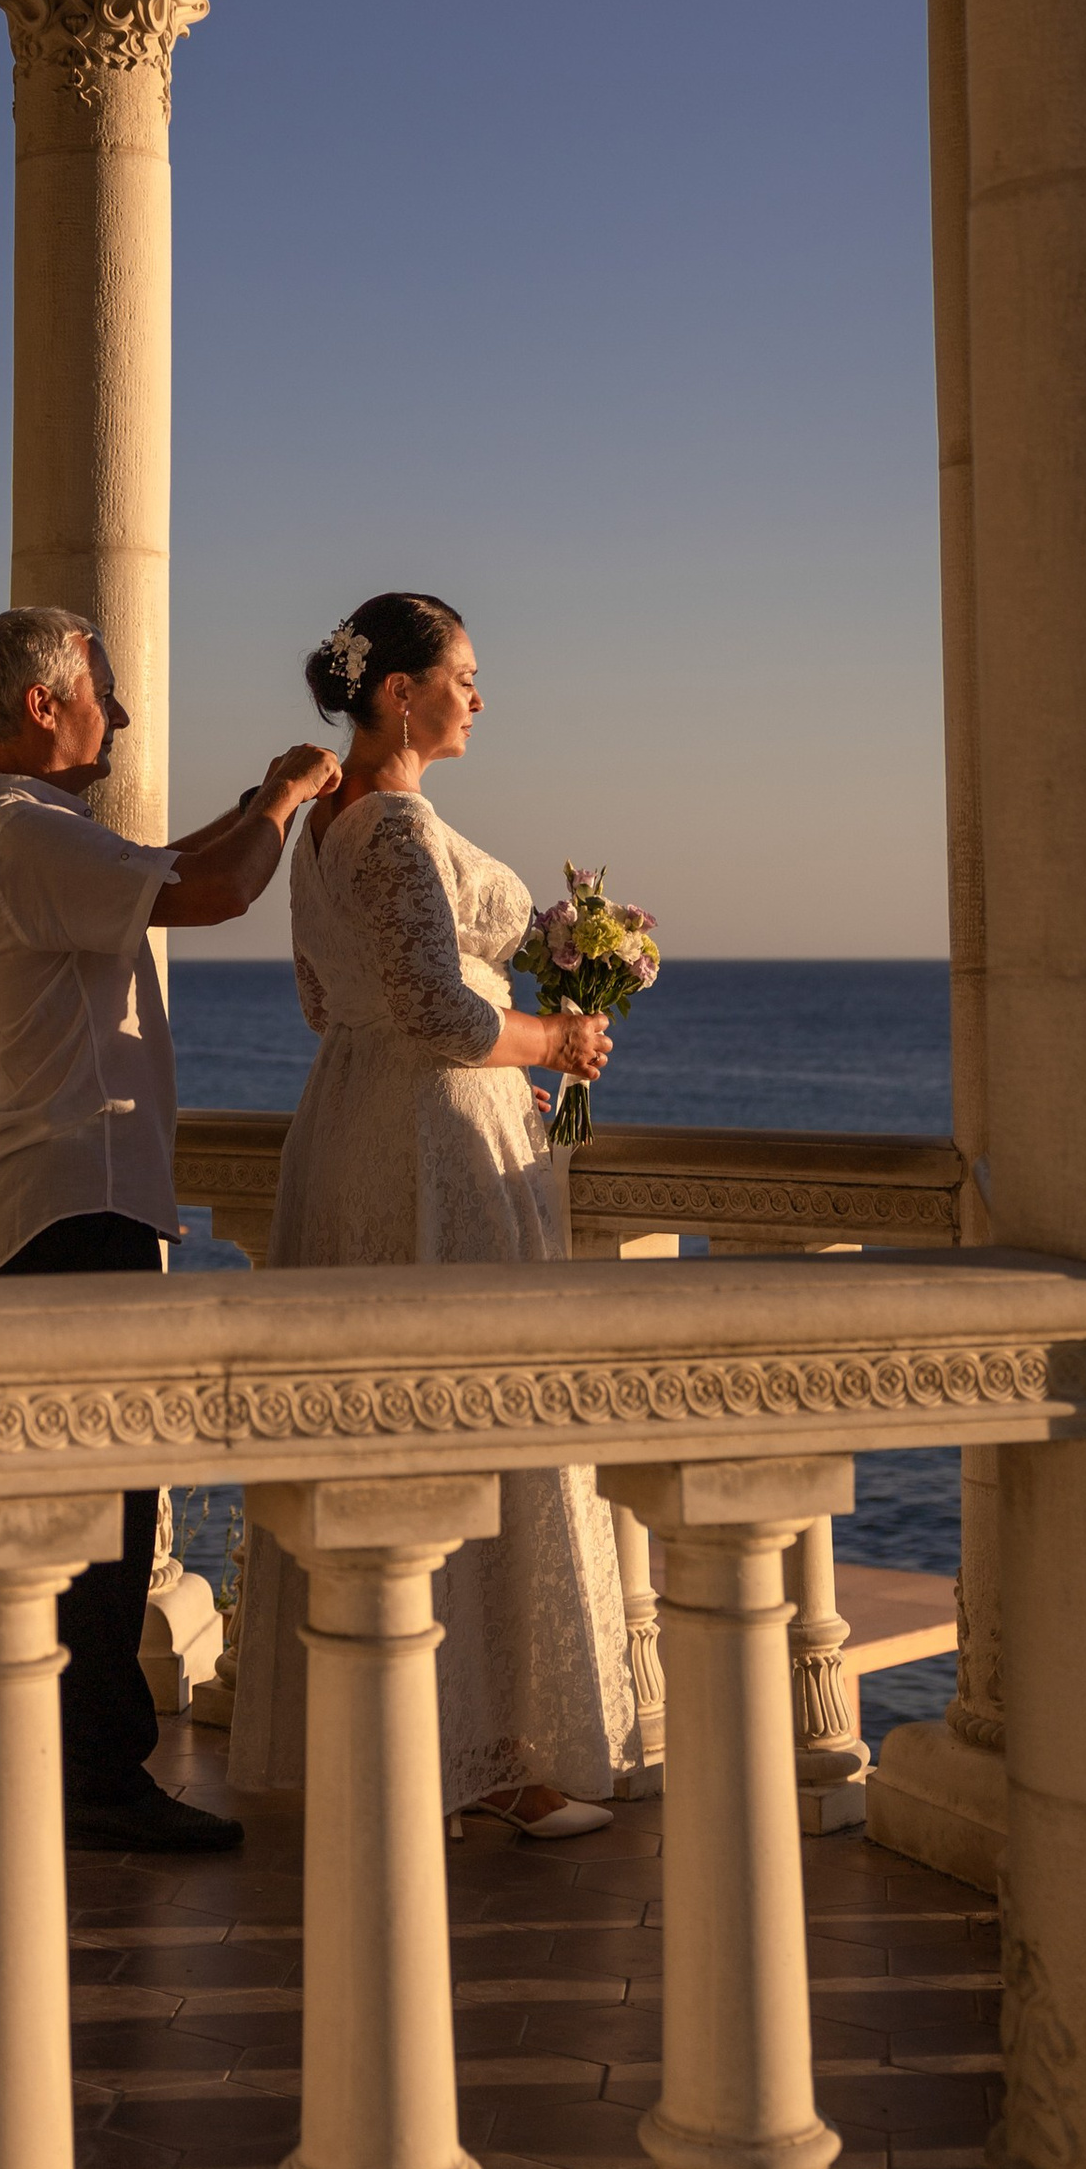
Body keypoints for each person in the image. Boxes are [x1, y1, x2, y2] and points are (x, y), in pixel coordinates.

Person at [0, 604, 340, 1854]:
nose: (117, 712)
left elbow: (160, 864)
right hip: (76, 1199)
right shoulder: (26, 833)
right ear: (45, 704)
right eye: (100, 692)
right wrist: (287, 803)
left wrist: (257, 799)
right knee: (100, 1518)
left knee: (69, 1504)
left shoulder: (9, 827)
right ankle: (99, 1783)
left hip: (41, 1193)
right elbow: (211, 892)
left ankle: (55, 1764)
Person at [228, 590, 634, 1837]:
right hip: (434, 1143)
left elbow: (323, 1002)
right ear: (397, 693)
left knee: (379, 1430)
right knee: (471, 1416)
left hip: (347, 1129)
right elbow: (440, 1015)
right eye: (462, 675)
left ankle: (396, 1739)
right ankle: (493, 1760)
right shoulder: (397, 825)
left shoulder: (318, 827)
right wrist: (556, 1038)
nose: (478, 697)